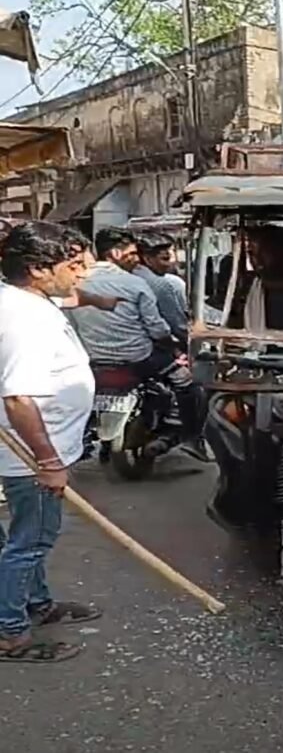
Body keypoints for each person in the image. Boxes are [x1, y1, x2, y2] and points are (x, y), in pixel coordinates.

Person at [0, 222, 101, 663]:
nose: (82, 272)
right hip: (31, 457)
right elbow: (18, 397)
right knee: (30, 543)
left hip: (37, 451)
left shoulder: (26, 300)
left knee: (26, 539)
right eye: (73, 265)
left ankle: (36, 605)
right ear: (38, 269)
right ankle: (9, 632)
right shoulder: (26, 320)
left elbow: (75, 297)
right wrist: (48, 462)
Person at [69, 228, 208, 461]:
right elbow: (157, 329)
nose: (136, 259)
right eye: (133, 253)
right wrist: (172, 347)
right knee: (188, 384)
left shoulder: (77, 283)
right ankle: (192, 438)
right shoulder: (134, 283)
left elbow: (72, 324)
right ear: (116, 253)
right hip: (139, 358)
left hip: (94, 359)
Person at [134, 232, 189, 346]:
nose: (172, 262)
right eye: (165, 258)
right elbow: (177, 324)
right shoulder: (162, 283)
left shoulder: (131, 275)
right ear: (147, 259)